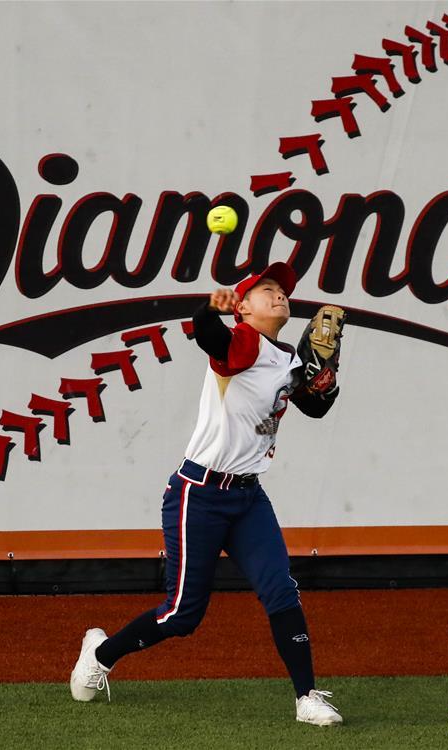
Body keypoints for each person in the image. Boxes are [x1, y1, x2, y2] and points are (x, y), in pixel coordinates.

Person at [69, 262, 343, 727]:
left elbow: (314, 408)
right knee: (182, 616)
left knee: (281, 590)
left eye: (282, 290)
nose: (279, 295)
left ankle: (307, 697)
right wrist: (209, 307)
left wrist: (327, 382)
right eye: (267, 290)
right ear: (244, 307)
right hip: (199, 495)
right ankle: (101, 654)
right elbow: (209, 336)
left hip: (248, 497)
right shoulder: (243, 343)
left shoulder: (285, 359)